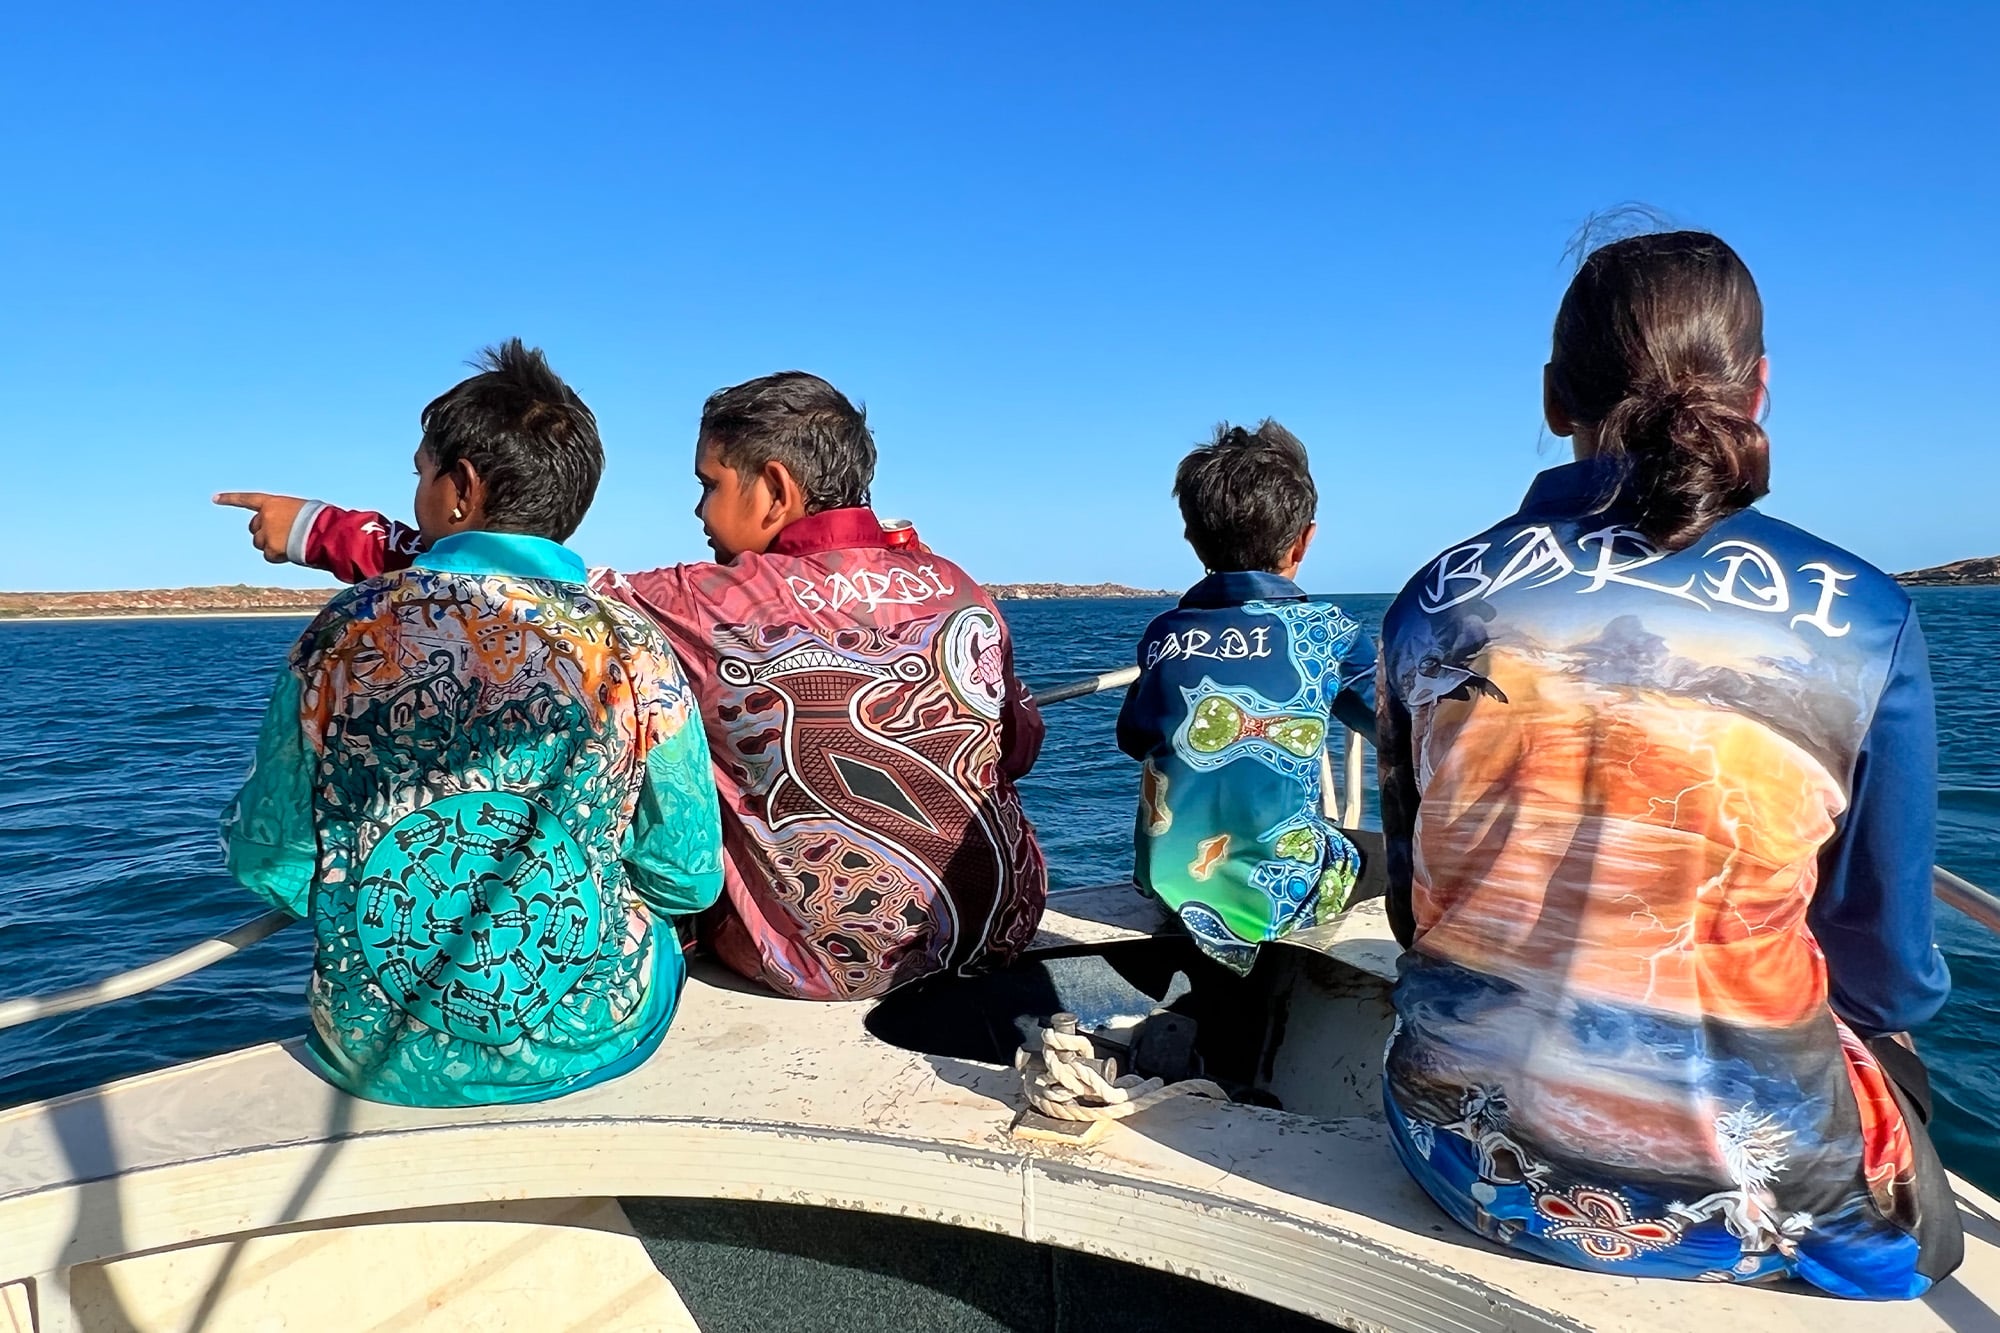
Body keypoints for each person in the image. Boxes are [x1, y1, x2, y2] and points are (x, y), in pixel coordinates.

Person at [1375, 230, 1961, 1296]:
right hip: (1750, 1211)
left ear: (1554, 397)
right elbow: (1885, 970)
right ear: (1759, 387)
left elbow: (1417, 913)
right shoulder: (1865, 614)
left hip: (1460, 1155)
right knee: (1922, 1207)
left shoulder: (1433, 597)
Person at [218, 371, 1047, 1002]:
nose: (697, 511)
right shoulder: (958, 583)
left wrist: (317, 530)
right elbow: (1020, 744)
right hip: (1003, 922)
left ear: (777, 490)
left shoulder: (702, 603)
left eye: (710, 483)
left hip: (831, 962)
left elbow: (512, 577)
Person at [221, 340, 723, 1107]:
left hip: (371, 1047)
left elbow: (273, 863)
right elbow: (685, 875)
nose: (417, 492)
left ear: (460, 489)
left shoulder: (341, 634)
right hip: (588, 1038)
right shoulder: (634, 646)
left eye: (420, 474)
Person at [1115, 421, 1376, 973]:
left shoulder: (1165, 633)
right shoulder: (1328, 632)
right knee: (1385, 860)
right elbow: (1394, 728)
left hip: (1168, 887)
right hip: (1282, 896)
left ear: (1193, 538)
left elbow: (1132, 735)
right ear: (1305, 538)